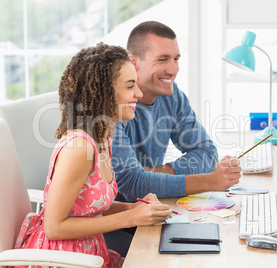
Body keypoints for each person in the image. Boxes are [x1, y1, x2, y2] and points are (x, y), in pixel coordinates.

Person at [13, 42, 172, 268]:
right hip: (63, 260)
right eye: (130, 86)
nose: (139, 93)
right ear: (105, 92)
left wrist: (136, 207)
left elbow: (90, 207)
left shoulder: (102, 138)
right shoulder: (80, 147)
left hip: (90, 253)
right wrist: (131, 218)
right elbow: (54, 227)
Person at [111, 21, 242, 202]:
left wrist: (160, 172)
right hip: (119, 219)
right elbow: (131, 185)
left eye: (176, 59)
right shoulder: (111, 105)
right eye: (162, 59)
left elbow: (207, 153)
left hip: (151, 207)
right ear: (134, 62)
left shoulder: (171, 96)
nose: (173, 69)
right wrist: (210, 181)